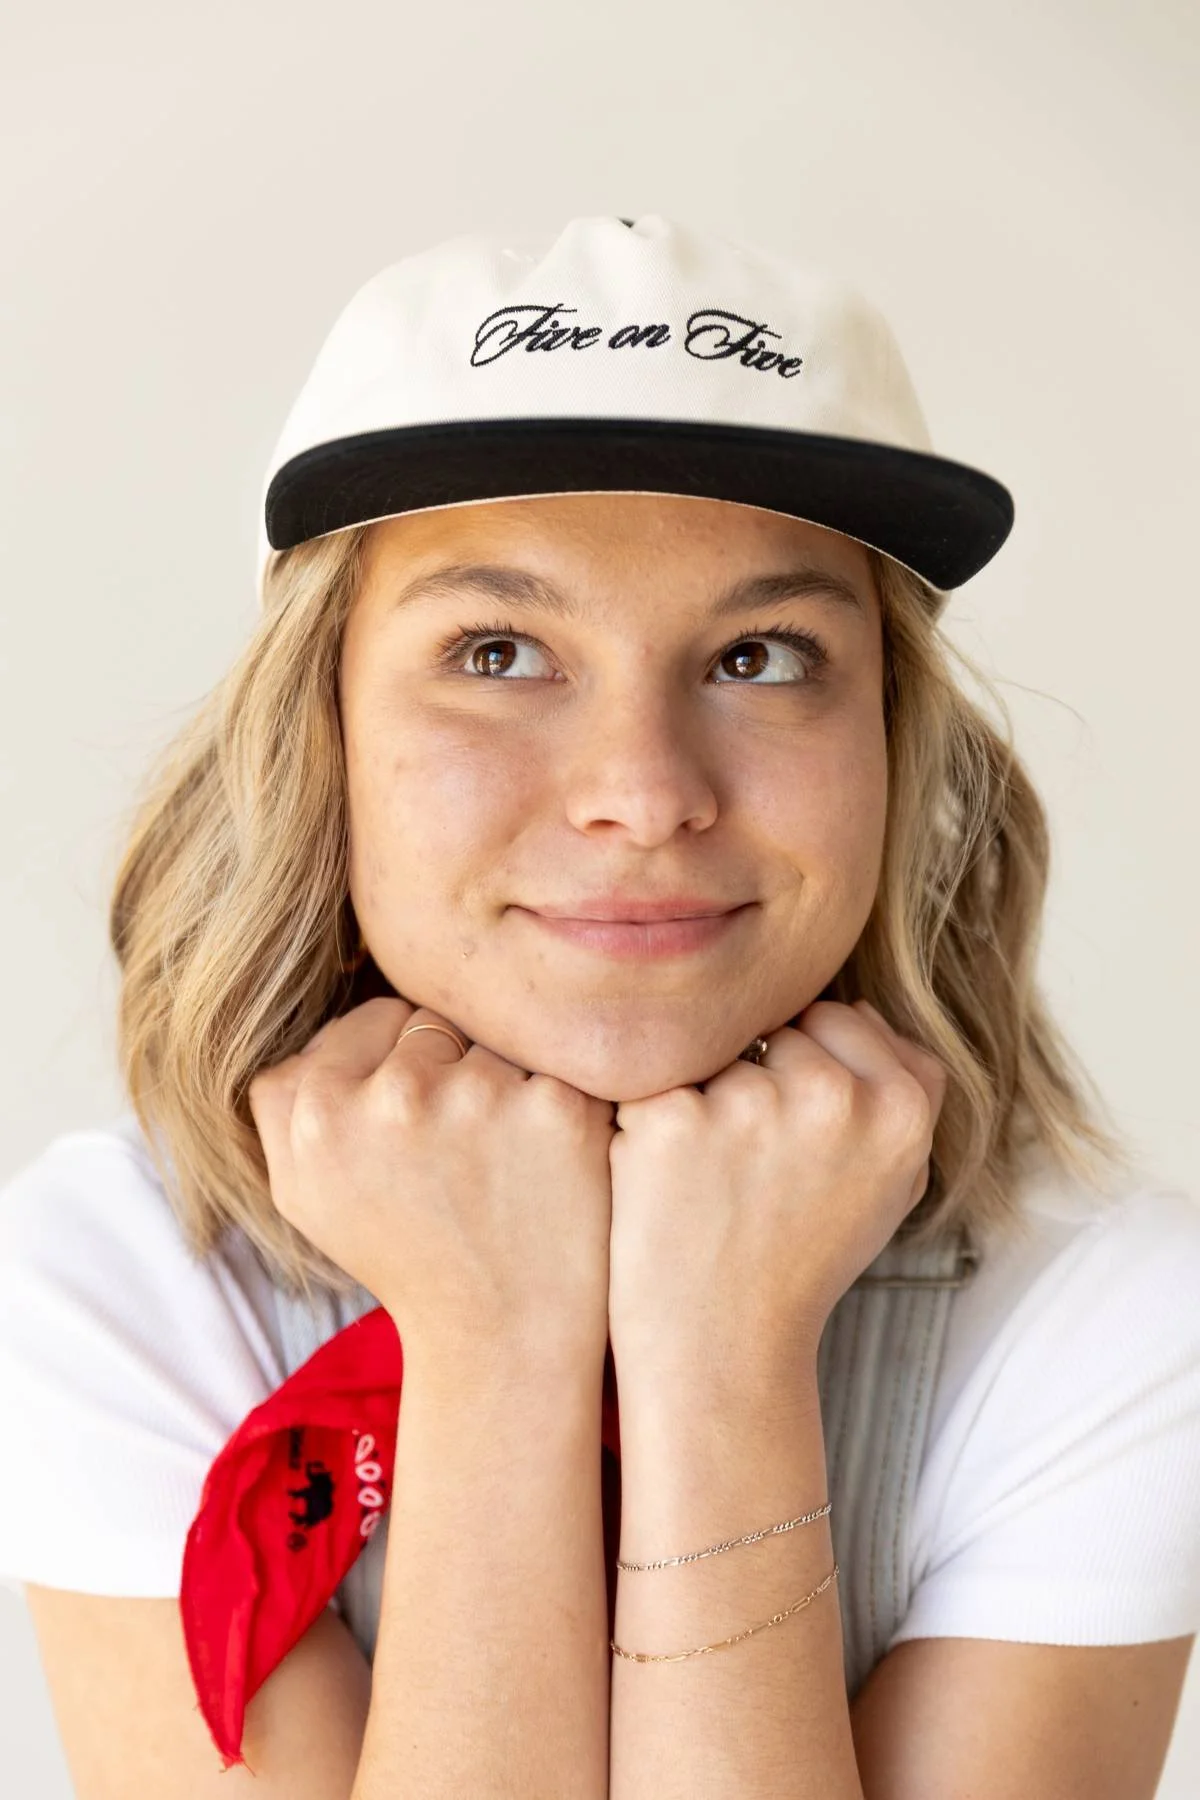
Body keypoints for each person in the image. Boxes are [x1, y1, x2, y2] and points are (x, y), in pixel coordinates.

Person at [1, 214, 1197, 1799]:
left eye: (762, 656)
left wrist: (725, 1360)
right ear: (324, 731)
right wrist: (497, 1341)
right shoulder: (128, 1278)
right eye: (498, 650)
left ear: (895, 742)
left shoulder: (1108, 1319)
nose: (642, 793)